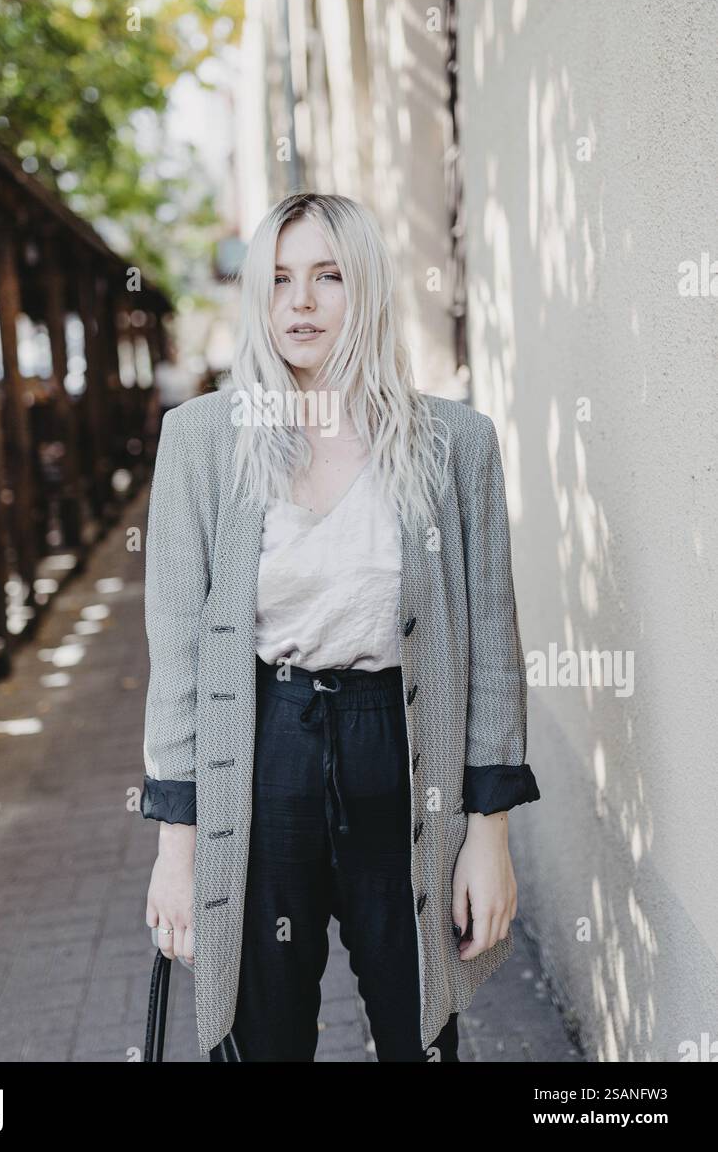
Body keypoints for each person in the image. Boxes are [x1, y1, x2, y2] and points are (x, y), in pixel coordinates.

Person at [141, 192, 540, 1062]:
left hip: (400, 748)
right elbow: (174, 656)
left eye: (329, 276)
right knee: (263, 1037)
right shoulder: (203, 442)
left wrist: (490, 834)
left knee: (420, 1029)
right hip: (265, 748)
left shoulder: (452, 444)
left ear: (367, 290)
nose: (303, 301)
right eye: (279, 279)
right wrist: (177, 850)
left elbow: (492, 649)